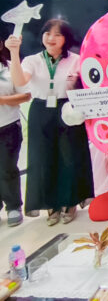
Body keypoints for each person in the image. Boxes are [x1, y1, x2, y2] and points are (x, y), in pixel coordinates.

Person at [7, 20, 94, 225]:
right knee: (42, 158)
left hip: (68, 109)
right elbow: (20, 82)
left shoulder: (76, 60)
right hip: (41, 110)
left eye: (57, 34)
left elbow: (87, 87)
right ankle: (50, 204)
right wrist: (14, 53)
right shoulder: (32, 60)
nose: (51, 38)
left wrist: (78, 91)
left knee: (70, 156)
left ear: (66, 38)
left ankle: (70, 203)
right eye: (47, 33)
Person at [0, 38, 30, 227]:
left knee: (6, 167)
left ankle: (13, 206)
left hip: (8, 126)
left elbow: (26, 95)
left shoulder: (10, 67)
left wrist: (2, 100)